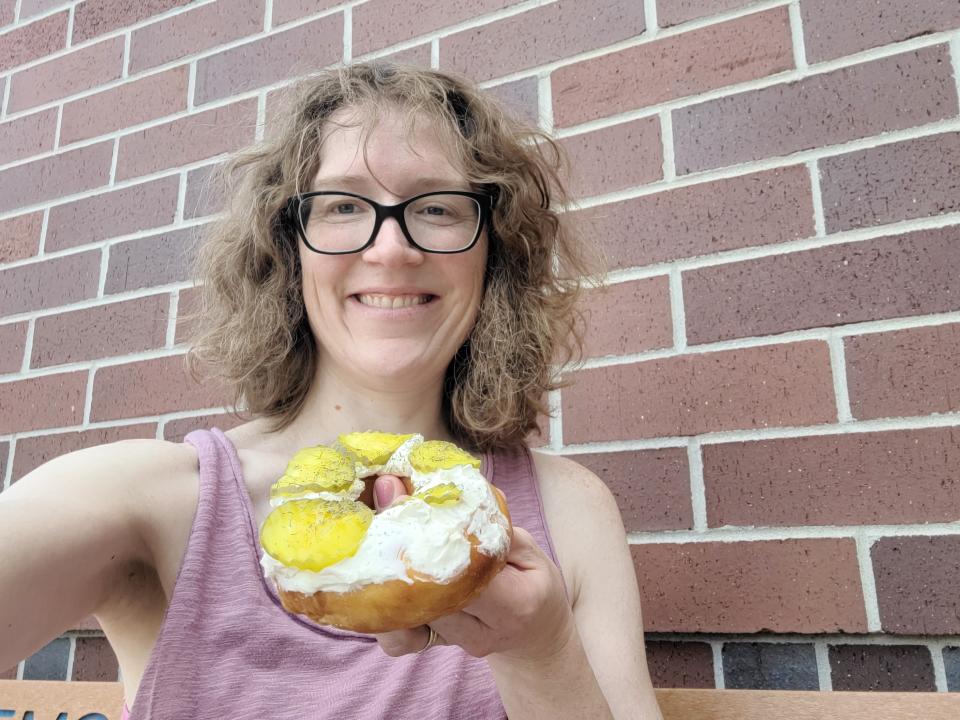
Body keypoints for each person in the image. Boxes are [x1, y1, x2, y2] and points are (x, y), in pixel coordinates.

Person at [0, 63, 662, 719]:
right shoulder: (155, 503)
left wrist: (540, 652)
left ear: (495, 253)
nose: (392, 248)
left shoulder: (569, 515)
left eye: (436, 207)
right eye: (344, 205)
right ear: (288, 249)